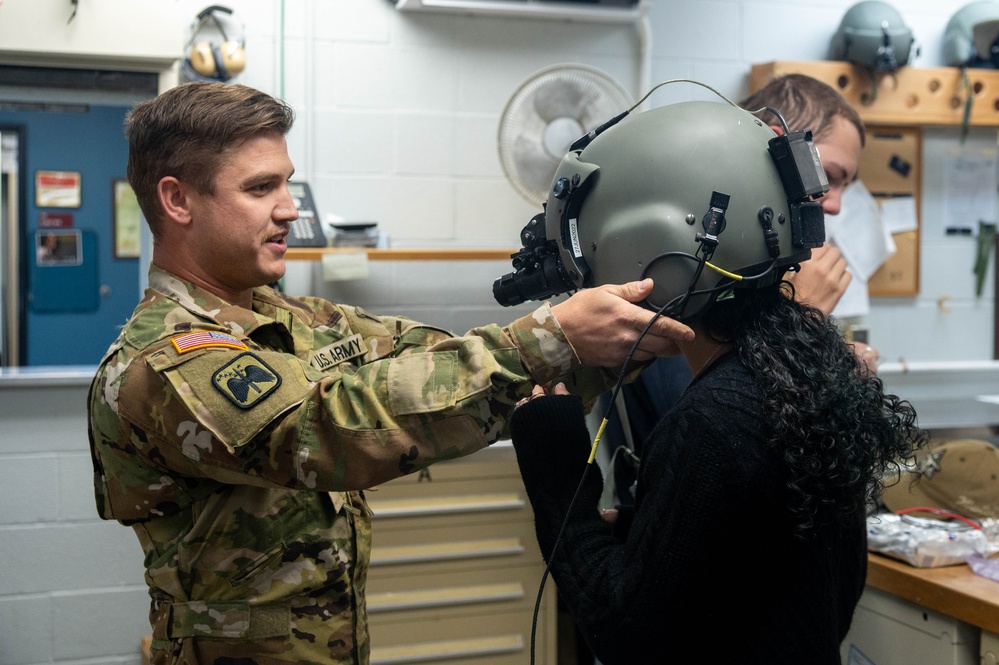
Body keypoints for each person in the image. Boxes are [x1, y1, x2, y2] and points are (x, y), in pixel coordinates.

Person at [85, 81, 693, 665]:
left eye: (288, 184)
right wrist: (550, 337)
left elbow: (441, 367)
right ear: (177, 200)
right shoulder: (164, 362)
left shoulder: (296, 320)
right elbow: (322, 432)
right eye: (261, 187)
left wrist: (618, 342)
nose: (290, 209)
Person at [506, 99, 927, 664]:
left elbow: (624, 633)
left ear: (643, 248)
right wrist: (648, 530)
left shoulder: (711, 417)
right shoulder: (812, 375)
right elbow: (804, 581)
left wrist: (560, 482)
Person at [601, 73, 877, 506]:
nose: (837, 202)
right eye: (831, 176)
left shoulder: (765, 273)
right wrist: (804, 318)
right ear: (778, 147)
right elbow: (724, 428)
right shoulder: (690, 270)